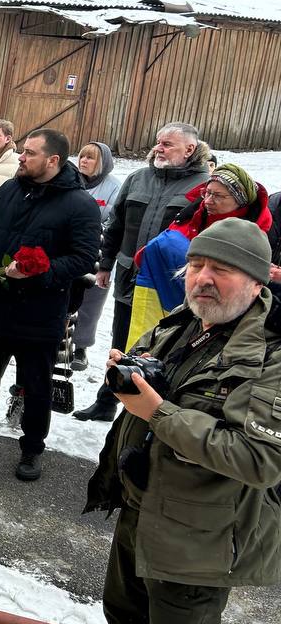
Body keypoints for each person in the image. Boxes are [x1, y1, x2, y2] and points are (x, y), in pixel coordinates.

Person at [70, 218, 281, 624]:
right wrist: (131, 372)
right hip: (141, 505)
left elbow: (259, 458)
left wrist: (156, 410)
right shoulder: (183, 320)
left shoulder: (271, 354)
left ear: (257, 282)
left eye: (222, 270)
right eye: (196, 265)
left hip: (201, 534)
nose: (202, 278)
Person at [0, 129, 102, 480]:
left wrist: (37, 271)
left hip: (40, 313)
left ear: (53, 160)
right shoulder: (11, 190)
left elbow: (84, 258)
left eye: (29, 153)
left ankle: (31, 450)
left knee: (36, 384)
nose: (21, 157)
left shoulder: (80, 204)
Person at [72, 123, 211, 422]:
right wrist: (106, 264)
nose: (159, 148)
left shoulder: (204, 187)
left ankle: (154, 411)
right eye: (158, 142)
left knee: (166, 346)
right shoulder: (137, 179)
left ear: (189, 149)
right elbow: (116, 226)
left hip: (172, 285)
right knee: (121, 342)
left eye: (168, 144)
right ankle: (107, 400)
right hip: (128, 278)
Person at [125, 162, 271, 349]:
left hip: (221, 322)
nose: (208, 200)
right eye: (207, 193)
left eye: (218, 195)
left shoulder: (259, 235)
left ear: (240, 200)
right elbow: (147, 254)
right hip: (166, 303)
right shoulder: (191, 216)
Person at [72, 141, 122, 371]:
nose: (84, 161)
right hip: (70, 248)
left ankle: (81, 346)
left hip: (98, 252)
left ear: (102, 163)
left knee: (91, 303)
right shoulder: (70, 181)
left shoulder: (114, 187)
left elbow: (114, 219)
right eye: (82, 156)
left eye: (90, 158)